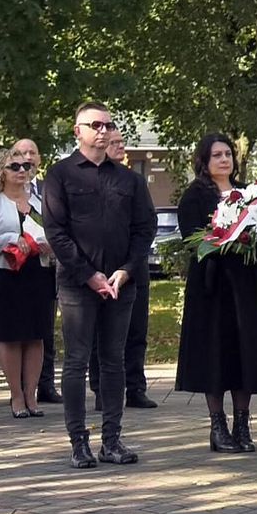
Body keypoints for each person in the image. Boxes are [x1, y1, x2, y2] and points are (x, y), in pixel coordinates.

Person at [43, 102, 157, 469]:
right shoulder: (60, 175)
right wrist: (88, 275)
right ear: (78, 131)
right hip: (78, 284)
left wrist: (125, 270)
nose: (104, 131)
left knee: (113, 363)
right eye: (95, 125)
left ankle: (112, 440)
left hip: (120, 284)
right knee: (76, 362)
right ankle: (79, 443)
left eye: (108, 125)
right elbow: (56, 232)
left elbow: (144, 230)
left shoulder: (129, 179)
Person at [175, 133, 257, 453]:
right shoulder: (194, 196)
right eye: (217, 155)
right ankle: (217, 425)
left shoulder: (248, 193)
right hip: (213, 286)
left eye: (228, 154)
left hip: (246, 284)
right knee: (216, 354)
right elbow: (192, 239)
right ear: (204, 162)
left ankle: (242, 424)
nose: (224, 160)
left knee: (244, 353)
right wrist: (222, 238)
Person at [88, 128, 158, 410]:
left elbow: (146, 224)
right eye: (113, 142)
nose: (118, 147)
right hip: (98, 272)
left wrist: (131, 264)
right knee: (99, 335)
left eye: (121, 143)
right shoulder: (90, 181)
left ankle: (136, 387)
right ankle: (101, 391)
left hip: (134, 270)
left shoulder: (135, 182)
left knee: (136, 332)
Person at [0, 149, 54, 418]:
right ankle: (16, 396)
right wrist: (11, 239)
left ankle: (32, 395)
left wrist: (50, 246)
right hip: (8, 275)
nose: (22, 170)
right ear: (2, 172)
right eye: (15, 166)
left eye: (26, 165)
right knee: (12, 336)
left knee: (36, 335)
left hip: (38, 273)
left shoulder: (38, 201)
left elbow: (51, 231)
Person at [13, 137, 63, 405]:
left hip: (45, 268)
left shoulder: (47, 190)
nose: (27, 158)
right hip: (14, 269)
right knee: (18, 328)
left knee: (45, 327)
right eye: (20, 153)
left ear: (39, 159)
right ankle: (20, 389)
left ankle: (45, 384)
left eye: (32, 152)